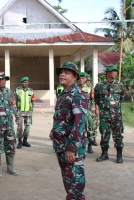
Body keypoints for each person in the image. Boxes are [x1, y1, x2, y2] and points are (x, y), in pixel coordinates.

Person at [49, 62, 88, 200]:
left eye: (67, 72)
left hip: (71, 149)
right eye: (61, 72)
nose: (62, 74)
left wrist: (72, 148)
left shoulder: (77, 94)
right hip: (61, 146)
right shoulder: (64, 93)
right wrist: (54, 131)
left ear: (75, 77)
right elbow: (63, 117)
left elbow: (80, 122)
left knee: (76, 186)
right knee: (69, 184)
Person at [0, 72, 20, 178]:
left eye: (3, 79)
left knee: (10, 146)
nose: (1, 81)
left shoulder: (9, 92)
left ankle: (11, 168)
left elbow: (14, 106)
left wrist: (18, 117)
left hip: (9, 125)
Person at [94, 65, 125, 163]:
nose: (115, 73)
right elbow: (97, 99)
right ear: (107, 73)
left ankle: (119, 156)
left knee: (118, 135)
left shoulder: (120, 85)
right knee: (104, 134)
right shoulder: (99, 85)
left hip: (117, 115)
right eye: (113, 71)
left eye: (116, 71)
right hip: (104, 115)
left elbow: (121, 98)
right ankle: (104, 154)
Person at [78, 72, 98, 153]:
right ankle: (80, 146)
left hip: (88, 112)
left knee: (90, 129)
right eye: (79, 78)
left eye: (82, 78)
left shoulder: (90, 89)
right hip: (78, 113)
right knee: (80, 130)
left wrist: (96, 110)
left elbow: (95, 100)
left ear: (86, 80)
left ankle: (89, 146)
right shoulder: (74, 88)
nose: (80, 80)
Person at [15, 76, 36, 149]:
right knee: (20, 127)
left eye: (25, 82)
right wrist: (15, 111)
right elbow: (14, 101)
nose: (24, 83)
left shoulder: (31, 91)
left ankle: (25, 141)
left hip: (28, 112)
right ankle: (20, 142)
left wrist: (32, 109)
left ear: (28, 82)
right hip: (19, 112)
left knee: (27, 127)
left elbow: (33, 101)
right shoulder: (17, 90)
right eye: (23, 82)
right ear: (21, 83)